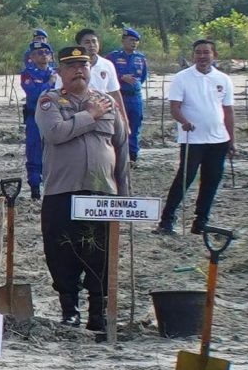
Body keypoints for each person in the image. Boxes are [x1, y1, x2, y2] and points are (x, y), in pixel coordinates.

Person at [38, 45, 127, 331]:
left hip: (101, 192)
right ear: (60, 72)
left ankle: (98, 312)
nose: (78, 70)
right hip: (63, 191)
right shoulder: (50, 101)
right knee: (62, 250)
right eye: (72, 66)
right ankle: (70, 309)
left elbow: (121, 147)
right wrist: (89, 116)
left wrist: (123, 193)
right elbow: (55, 133)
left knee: (100, 253)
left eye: (83, 65)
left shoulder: (107, 103)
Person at [158, 38, 236, 237]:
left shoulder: (223, 79)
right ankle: (167, 220)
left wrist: (231, 139)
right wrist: (183, 121)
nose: (202, 56)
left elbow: (228, 111)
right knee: (185, 178)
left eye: (206, 52)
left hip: (218, 139)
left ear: (214, 55)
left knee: (211, 180)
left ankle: (201, 221)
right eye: (198, 53)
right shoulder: (182, 78)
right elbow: (174, 107)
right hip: (192, 138)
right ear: (193, 55)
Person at [19, 42, 57, 198]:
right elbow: (34, 94)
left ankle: (51, 185)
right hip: (34, 117)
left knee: (54, 150)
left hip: (54, 117)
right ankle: (35, 186)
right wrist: (49, 83)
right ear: (32, 57)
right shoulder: (28, 73)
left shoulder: (57, 72)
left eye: (46, 52)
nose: (43, 55)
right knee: (34, 150)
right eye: (39, 53)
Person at [110, 27, 151, 162]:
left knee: (135, 125)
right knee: (117, 126)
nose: (134, 43)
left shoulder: (140, 58)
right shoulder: (113, 57)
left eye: (136, 41)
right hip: (120, 95)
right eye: (131, 40)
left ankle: (132, 156)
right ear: (123, 41)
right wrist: (122, 78)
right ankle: (116, 155)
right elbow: (107, 75)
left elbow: (143, 76)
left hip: (135, 97)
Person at [75, 28, 121, 95]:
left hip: (102, 104)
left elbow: (114, 92)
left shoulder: (107, 64)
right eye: (87, 42)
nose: (92, 45)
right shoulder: (70, 65)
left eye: (94, 41)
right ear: (79, 46)